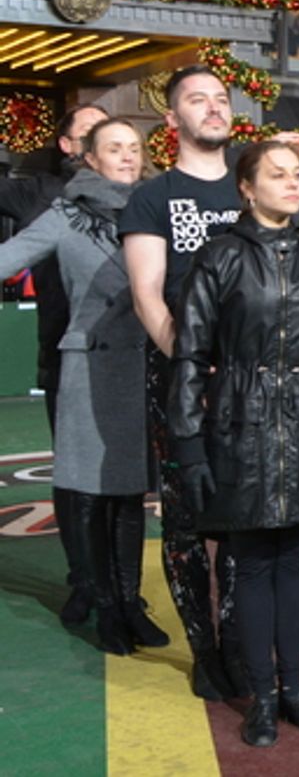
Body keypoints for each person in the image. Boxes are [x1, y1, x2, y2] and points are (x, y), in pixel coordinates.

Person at [169, 140, 299, 748]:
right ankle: (261, 698)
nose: (292, 183)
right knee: (253, 564)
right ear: (247, 188)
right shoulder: (219, 257)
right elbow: (189, 356)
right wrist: (188, 445)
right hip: (241, 431)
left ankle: (294, 691)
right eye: (277, 174)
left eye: (297, 174)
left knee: (292, 562)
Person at [120, 65, 299, 699]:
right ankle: (205, 652)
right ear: (172, 120)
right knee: (185, 520)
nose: (215, 107)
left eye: (221, 98)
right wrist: (192, 362)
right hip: (182, 378)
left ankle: (240, 647)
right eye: (198, 100)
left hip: (257, 380)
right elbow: (147, 295)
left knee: (245, 519)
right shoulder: (152, 198)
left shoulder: (253, 184)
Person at [0, 118, 170, 654]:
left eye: (134, 147)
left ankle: (131, 602)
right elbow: (8, 258)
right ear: (89, 158)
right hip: (87, 365)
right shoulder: (65, 215)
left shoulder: (158, 210)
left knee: (130, 495)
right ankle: (105, 607)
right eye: (114, 148)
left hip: (144, 365)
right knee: (92, 494)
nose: (127, 156)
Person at [0, 103, 107, 623]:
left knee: (127, 480)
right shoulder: (39, 193)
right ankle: (83, 578)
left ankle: (120, 585)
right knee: (73, 471)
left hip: (128, 357)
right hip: (64, 353)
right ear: (67, 145)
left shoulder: (136, 198)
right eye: (90, 130)